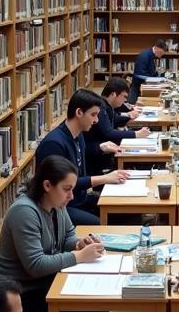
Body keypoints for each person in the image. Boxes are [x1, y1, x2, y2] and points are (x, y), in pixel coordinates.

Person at [0, 155, 116, 312]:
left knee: (95, 306)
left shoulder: (56, 205)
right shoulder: (24, 212)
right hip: (20, 295)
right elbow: (36, 264)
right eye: (67, 189)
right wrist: (78, 256)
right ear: (47, 185)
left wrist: (80, 243)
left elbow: (68, 234)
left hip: (43, 283)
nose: (71, 196)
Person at [35, 88, 129, 225]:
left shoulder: (79, 135)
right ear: (79, 112)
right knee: (98, 223)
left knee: (121, 209)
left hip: (80, 198)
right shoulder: (54, 144)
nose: (96, 120)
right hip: (61, 206)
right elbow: (62, 185)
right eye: (93, 115)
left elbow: (81, 171)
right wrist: (104, 178)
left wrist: (100, 150)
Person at [87, 76, 151, 174]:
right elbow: (108, 133)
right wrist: (136, 134)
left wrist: (129, 117)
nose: (124, 100)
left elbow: (115, 119)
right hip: (99, 160)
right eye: (124, 97)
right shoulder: (100, 108)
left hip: (105, 154)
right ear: (113, 94)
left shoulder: (106, 106)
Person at [129, 38, 167, 103]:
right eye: (160, 53)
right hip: (139, 88)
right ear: (155, 48)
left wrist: (160, 75)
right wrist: (154, 79)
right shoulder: (144, 55)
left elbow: (150, 71)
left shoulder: (150, 55)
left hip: (144, 86)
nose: (160, 56)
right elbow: (139, 75)